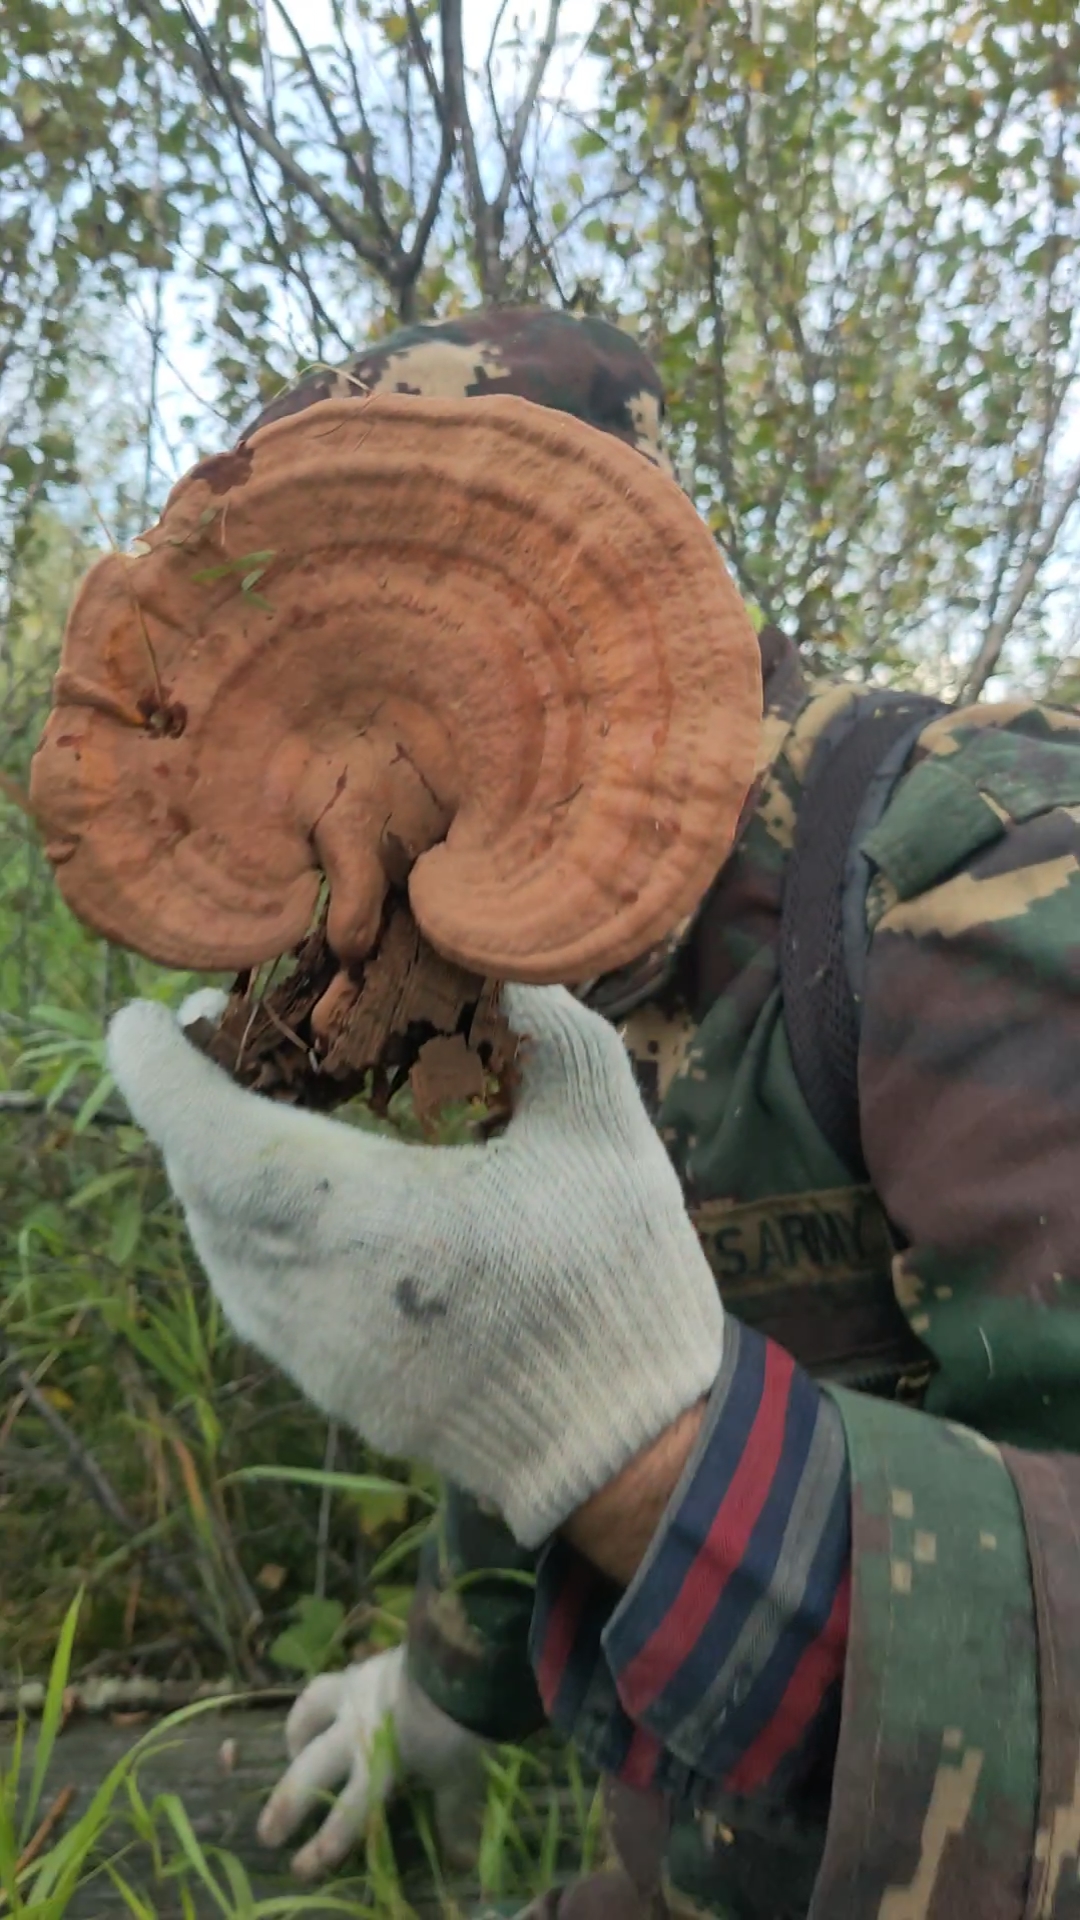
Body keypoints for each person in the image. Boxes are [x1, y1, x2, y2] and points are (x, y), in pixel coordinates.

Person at [105, 309, 1080, 1920]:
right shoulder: (525, 940)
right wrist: (440, 1688)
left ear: (580, 619)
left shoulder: (983, 878)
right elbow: (535, 1326)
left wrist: (640, 1453)